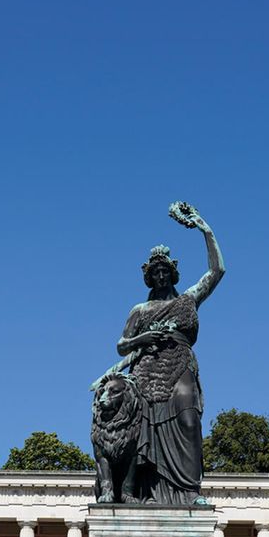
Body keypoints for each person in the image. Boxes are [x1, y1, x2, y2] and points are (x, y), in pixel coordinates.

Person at [97, 202, 226, 505]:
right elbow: (121, 344)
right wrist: (145, 336)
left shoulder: (188, 299)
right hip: (145, 370)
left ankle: (191, 491)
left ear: (172, 274)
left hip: (180, 364)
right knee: (143, 429)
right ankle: (145, 492)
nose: (161, 277)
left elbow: (217, 271)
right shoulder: (139, 310)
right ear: (149, 278)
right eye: (155, 273)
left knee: (189, 419)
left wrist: (204, 229)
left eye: (165, 271)